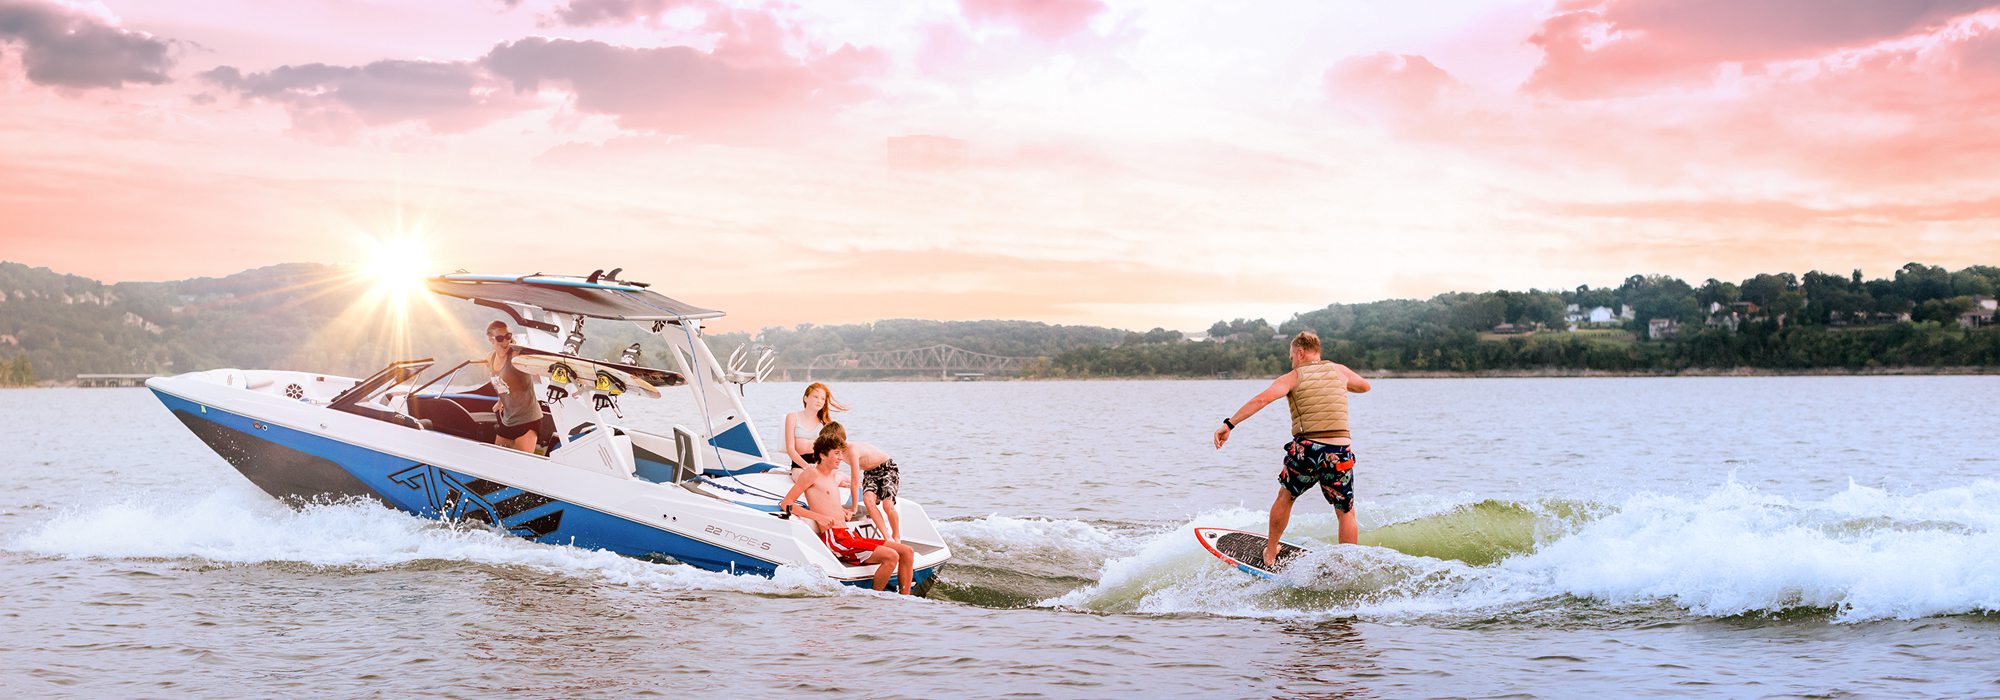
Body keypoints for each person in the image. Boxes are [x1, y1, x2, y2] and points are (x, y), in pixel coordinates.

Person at [1212, 330, 1372, 568]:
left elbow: (1261, 400)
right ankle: (1346, 568)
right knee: (1345, 510)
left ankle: (1270, 550)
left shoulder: (1294, 376)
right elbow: (1365, 387)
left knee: (1286, 497)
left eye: (1291, 357)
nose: (1292, 361)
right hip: (1339, 454)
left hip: (1307, 450)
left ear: (1300, 352)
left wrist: (1229, 424)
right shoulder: (1340, 371)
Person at [779, 433, 918, 594]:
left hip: (848, 534)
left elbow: (827, 500)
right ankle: (875, 598)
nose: (840, 458)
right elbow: (786, 504)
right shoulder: (811, 474)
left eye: (841, 453)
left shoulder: (833, 475)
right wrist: (819, 518)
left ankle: (905, 598)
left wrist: (843, 510)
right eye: (836, 453)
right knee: (891, 556)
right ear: (823, 455)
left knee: (907, 551)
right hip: (836, 538)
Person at [818, 422, 901, 542]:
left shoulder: (852, 450)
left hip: (887, 468)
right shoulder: (838, 452)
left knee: (887, 505)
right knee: (868, 500)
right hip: (870, 473)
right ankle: (886, 536)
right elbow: (829, 469)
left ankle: (896, 535)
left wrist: (854, 508)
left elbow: (855, 482)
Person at [482, 320, 544, 453]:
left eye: (508, 336)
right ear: (491, 340)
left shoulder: (517, 356)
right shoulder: (491, 358)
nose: (505, 341)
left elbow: (538, 374)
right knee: (497, 458)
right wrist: (500, 401)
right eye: (500, 338)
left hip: (528, 418)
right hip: (508, 419)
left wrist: (530, 362)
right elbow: (501, 382)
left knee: (522, 465)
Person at [784, 382, 846, 477]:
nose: (819, 401)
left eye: (822, 399)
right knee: (807, 479)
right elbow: (790, 449)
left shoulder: (825, 423)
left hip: (820, 464)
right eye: (815, 397)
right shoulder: (792, 417)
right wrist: (806, 466)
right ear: (806, 398)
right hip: (799, 465)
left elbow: (834, 449)